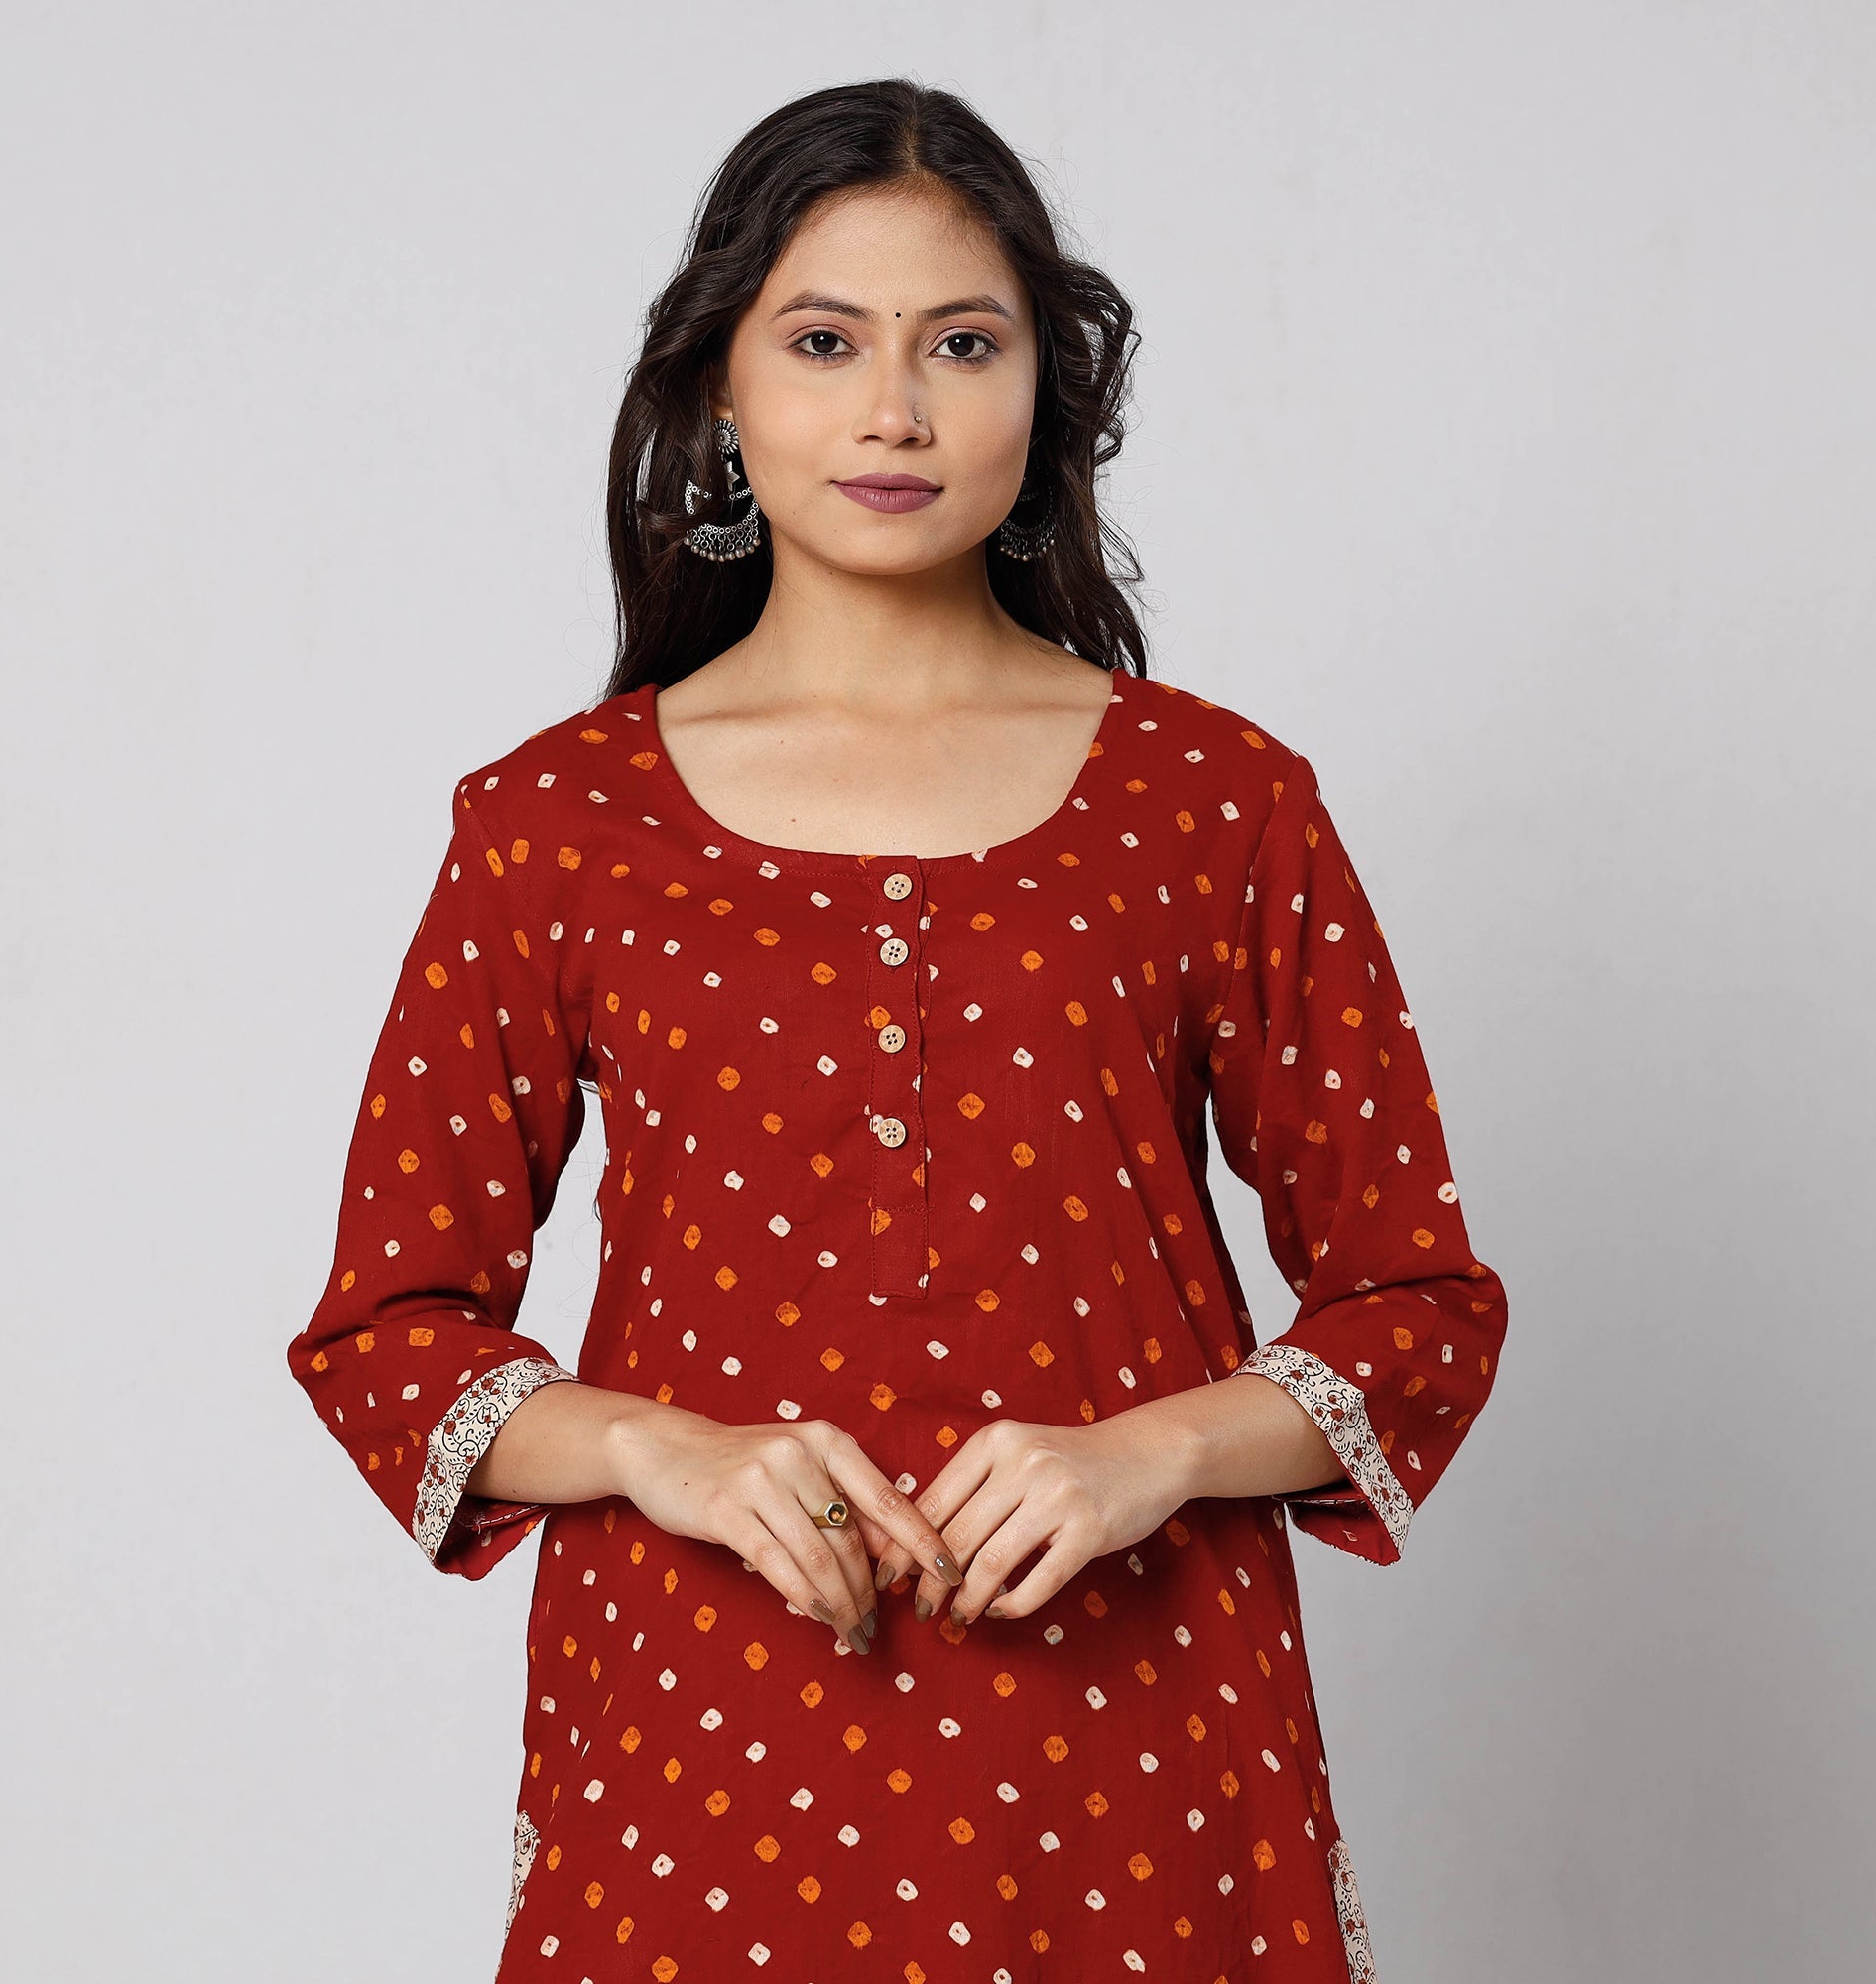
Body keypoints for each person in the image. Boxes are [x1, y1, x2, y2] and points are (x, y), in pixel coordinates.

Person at [287, 75, 1507, 1984]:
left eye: (962, 343)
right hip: (701, 1736)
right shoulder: (557, 824)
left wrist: (1155, 1453)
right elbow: (386, 1329)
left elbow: (1417, 1305)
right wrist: (659, 1451)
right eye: (825, 341)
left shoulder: (1215, 804)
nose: (895, 412)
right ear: (720, 385)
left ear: (1047, 389)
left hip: (1137, 1740)